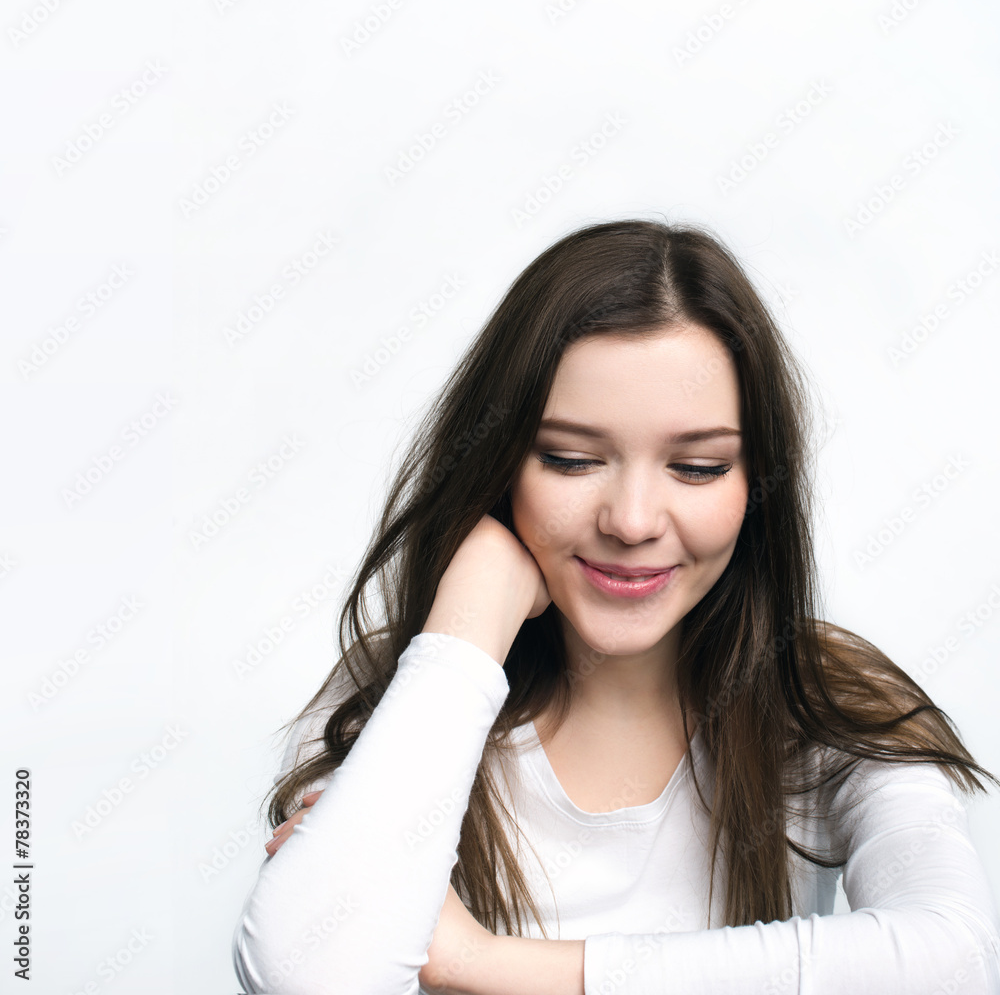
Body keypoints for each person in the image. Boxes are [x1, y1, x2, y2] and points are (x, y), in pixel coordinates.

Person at [231, 217, 1000, 995]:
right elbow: (307, 976)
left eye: (697, 468)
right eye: (570, 459)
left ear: (753, 486)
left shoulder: (827, 700)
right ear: (500, 466)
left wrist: (480, 965)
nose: (631, 521)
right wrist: (468, 622)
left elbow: (951, 960)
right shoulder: (406, 688)